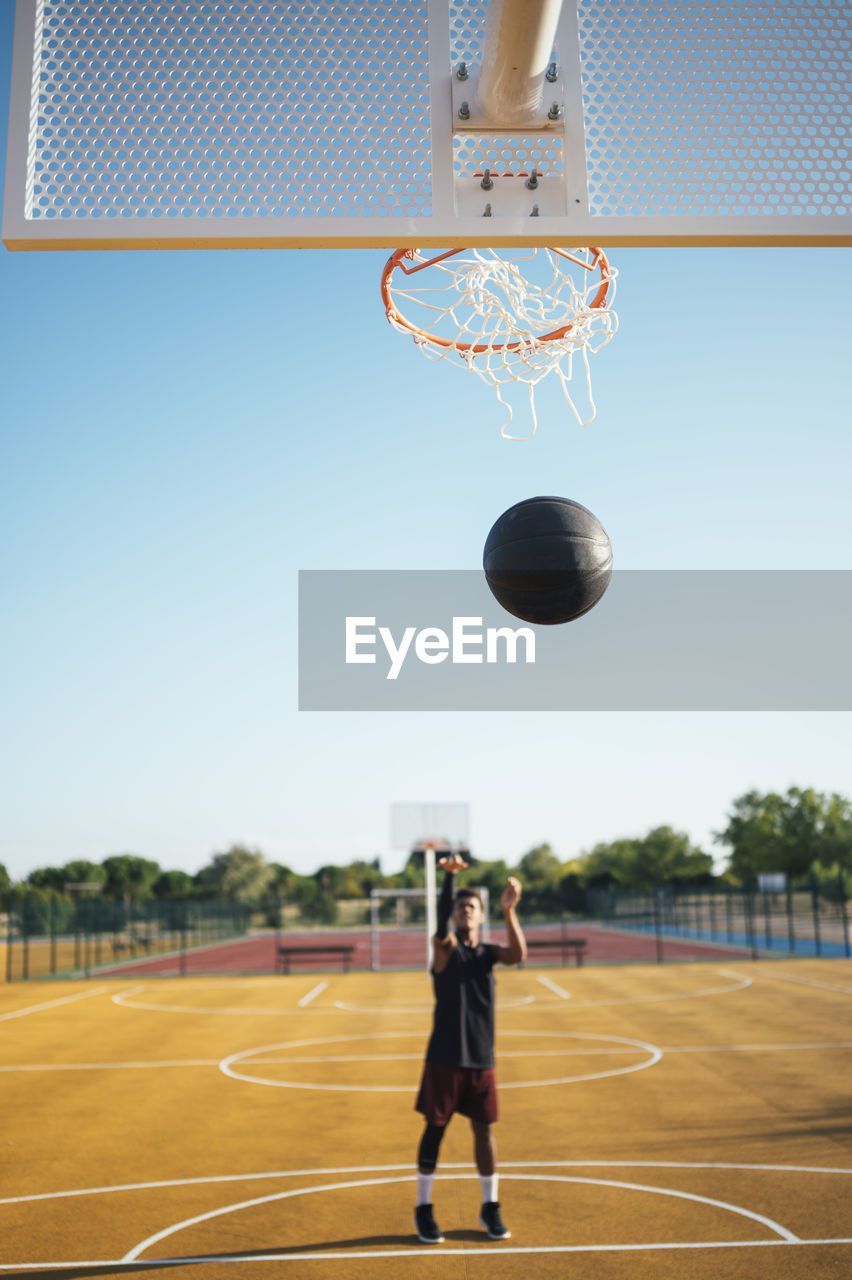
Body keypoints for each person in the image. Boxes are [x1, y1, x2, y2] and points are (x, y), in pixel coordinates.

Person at [413, 851, 527, 1244]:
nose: (465, 910)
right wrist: (448, 878)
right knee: (435, 1130)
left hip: (480, 1058)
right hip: (444, 1057)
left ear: (481, 914)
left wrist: (509, 911)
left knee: (485, 1132)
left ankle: (489, 1207)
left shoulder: (488, 954)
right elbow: (442, 918)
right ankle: (424, 1209)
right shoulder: (445, 949)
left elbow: (519, 955)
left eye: (472, 906)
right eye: (461, 906)